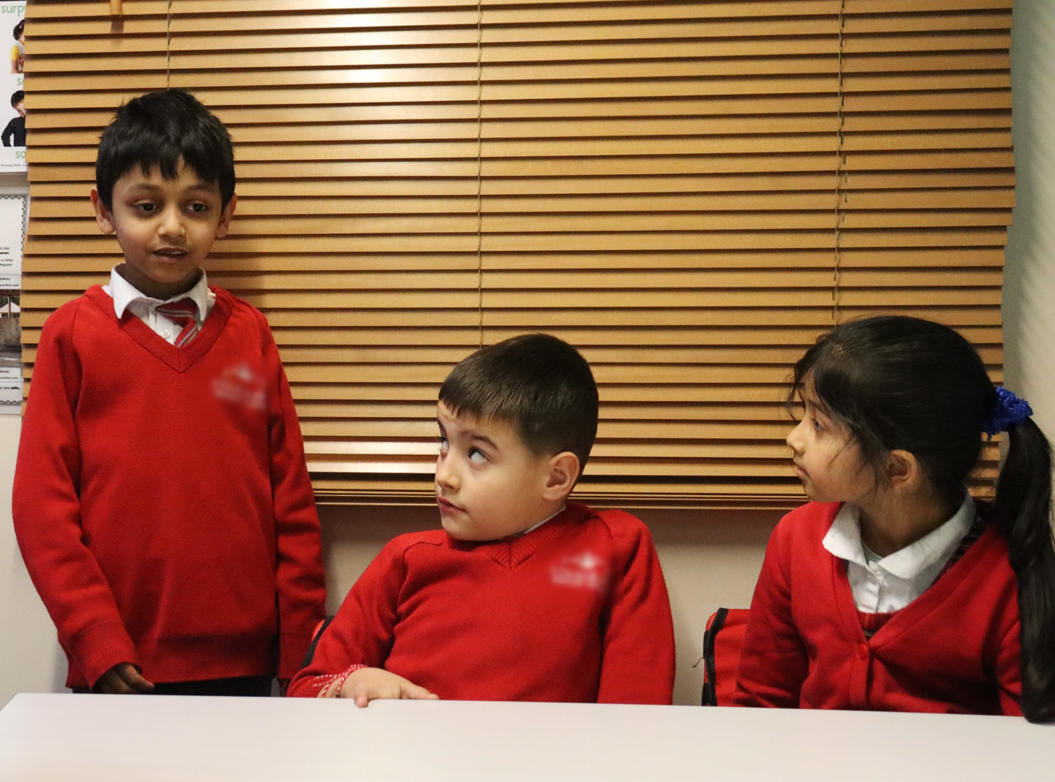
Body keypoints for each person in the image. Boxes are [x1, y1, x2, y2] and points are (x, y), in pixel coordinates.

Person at [12, 88, 327, 697]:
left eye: (197, 206)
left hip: (247, 660)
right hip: (117, 661)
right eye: (147, 205)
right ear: (104, 210)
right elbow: (41, 508)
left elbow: (290, 499)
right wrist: (93, 636)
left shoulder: (250, 337)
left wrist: (299, 651)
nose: (172, 227)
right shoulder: (70, 335)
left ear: (226, 214)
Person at [289, 334, 676, 705]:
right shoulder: (405, 558)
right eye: (443, 442)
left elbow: (636, 715)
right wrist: (353, 681)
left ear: (555, 478)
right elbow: (308, 686)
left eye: (477, 454)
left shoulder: (617, 548)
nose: (444, 475)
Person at [733, 316, 1055, 722]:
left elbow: (1032, 747)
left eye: (818, 424)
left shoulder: (1007, 575)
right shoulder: (796, 538)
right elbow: (760, 702)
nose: (793, 439)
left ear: (897, 470)